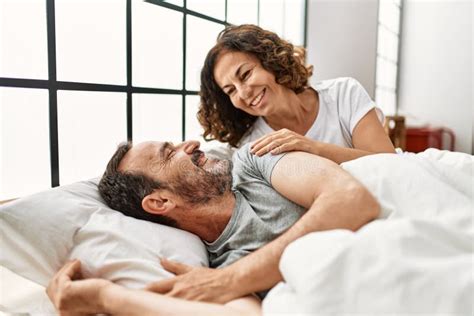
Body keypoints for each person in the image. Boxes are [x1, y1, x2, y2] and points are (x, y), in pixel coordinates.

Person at [46, 139, 381, 315]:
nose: (189, 143)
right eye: (170, 152)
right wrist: (106, 297)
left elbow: (351, 199)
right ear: (160, 202)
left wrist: (231, 281)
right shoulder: (213, 268)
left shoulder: (254, 162)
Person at [198, 24, 396, 163]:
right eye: (230, 90)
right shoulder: (252, 146)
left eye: (246, 74)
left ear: (270, 61)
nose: (243, 93)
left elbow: (388, 163)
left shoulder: (343, 94)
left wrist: (313, 148)